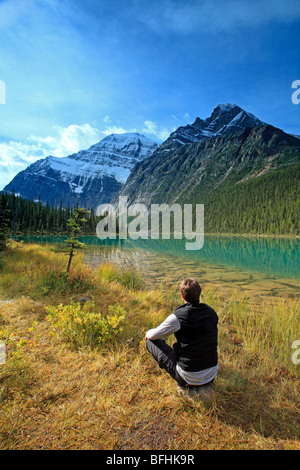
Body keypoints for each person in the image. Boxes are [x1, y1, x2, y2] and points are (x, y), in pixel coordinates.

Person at [145, 278, 219, 390]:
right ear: (199, 294)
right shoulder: (211, 312)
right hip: (212, 374)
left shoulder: (178, 317)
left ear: (182, 296)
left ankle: (172, 369)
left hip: (188, 377)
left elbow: (152, 335)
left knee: (151, 341)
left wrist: (147, 332)